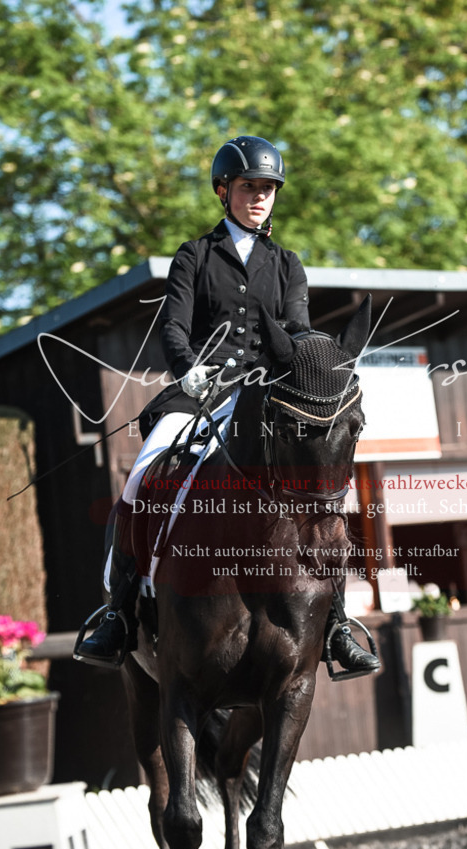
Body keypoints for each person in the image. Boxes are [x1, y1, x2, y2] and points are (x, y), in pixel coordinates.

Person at [75, 135, 380, 677]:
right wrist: (188, 368)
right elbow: (173, 323)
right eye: (248, 187)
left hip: (265, 398)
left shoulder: (287, 263)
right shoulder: (195, 255)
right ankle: (118, 613)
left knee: (321, 490)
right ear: (224, 191)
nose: (259, 196)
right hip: (201, 390)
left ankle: (336, 624)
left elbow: (297, 328)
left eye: (267, 189)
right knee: (142, 474)